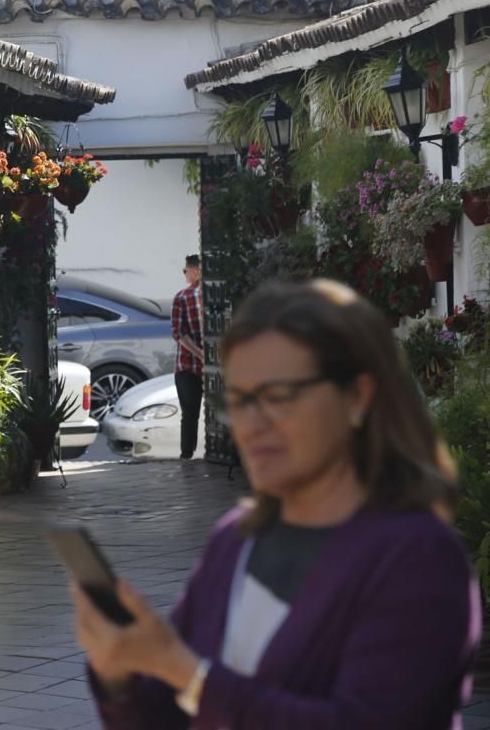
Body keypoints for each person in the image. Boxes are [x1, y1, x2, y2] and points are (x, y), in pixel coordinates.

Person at [70, 279, 479, 729]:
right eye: (241, 400)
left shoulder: (416, 556)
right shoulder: (237, 537)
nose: (252, 423)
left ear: (358, 397)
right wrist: (120, 673)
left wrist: (186, 672)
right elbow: (170, 715)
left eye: (278, 397)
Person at [171, 255, 203, 459]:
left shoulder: (183, 297)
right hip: (215, 366)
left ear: (195, 271)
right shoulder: (218, 296)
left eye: (185, 271)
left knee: (189, 413)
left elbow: (178, 333)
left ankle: (187, 455)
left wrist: (200, 354)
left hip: (187, 365)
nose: (184, 274)